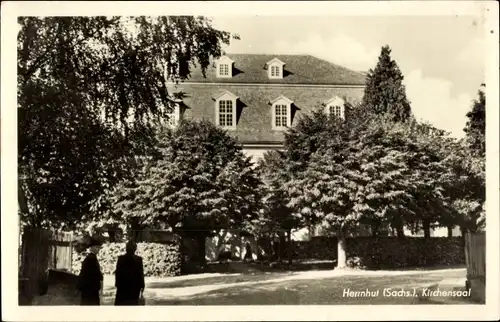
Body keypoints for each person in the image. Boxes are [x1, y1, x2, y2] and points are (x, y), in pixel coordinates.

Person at [114, 240, 145, 305]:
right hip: (134, 288)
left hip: (122, 287)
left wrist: (117, 285)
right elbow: (140, 274)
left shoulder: (121, 259)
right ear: (135, 249)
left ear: (126, 248)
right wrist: (142, 286)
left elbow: (118, 273)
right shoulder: (138, 259)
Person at [77, 237, 104, 305]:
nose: (98, 249)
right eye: (97, 247)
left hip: (90, 288)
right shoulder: (91, 259)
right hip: (90, 289)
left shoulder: (91, 258)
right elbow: (96, 274)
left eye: (99, 248)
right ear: (92, 248)